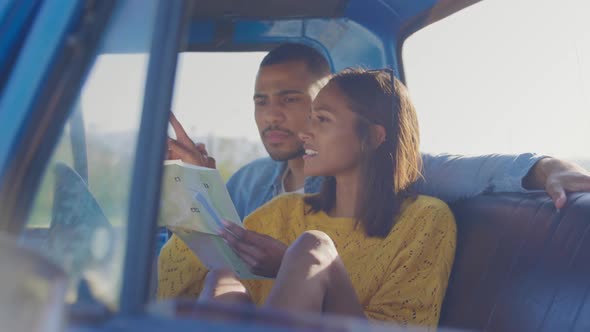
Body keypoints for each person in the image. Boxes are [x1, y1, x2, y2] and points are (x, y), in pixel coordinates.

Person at [159, 69, 456, 328]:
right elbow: (177, 282)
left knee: (313, 247)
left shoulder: (427, 219)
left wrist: (289, 265)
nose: (305, 132)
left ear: (375, 136)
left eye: (322, 119)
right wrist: (198, 182)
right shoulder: (284, 212)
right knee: (222, 280)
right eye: (310, 118)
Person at [167, 43, 590, 222]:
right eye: (261, 101)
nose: (271, 116)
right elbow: (224, 259)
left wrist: (549, 167)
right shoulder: (249, 181)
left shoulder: (368, 171)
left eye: (290, 99)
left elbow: (473, 171)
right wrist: (200, 182)